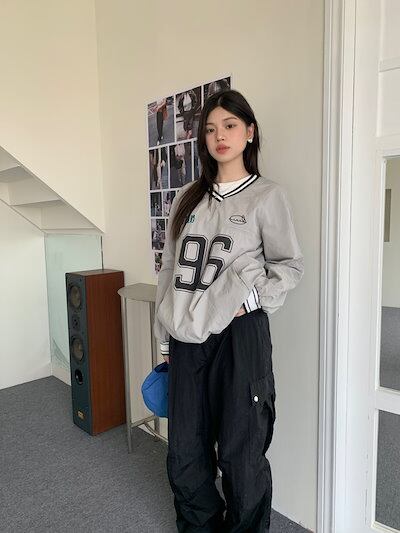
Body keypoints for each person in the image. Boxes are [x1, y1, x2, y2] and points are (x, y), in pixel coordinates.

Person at [153, 89, 304, 532]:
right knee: (185, 450)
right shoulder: (187, 198)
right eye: (211, 129)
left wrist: (250, 300)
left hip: (240, 338)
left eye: (230, 126)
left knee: (242, 451)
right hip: (187, 337)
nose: (220, 136)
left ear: (249, 132)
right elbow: (169, 270)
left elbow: (289, 266)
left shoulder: (267, 196)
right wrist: (165, 338)